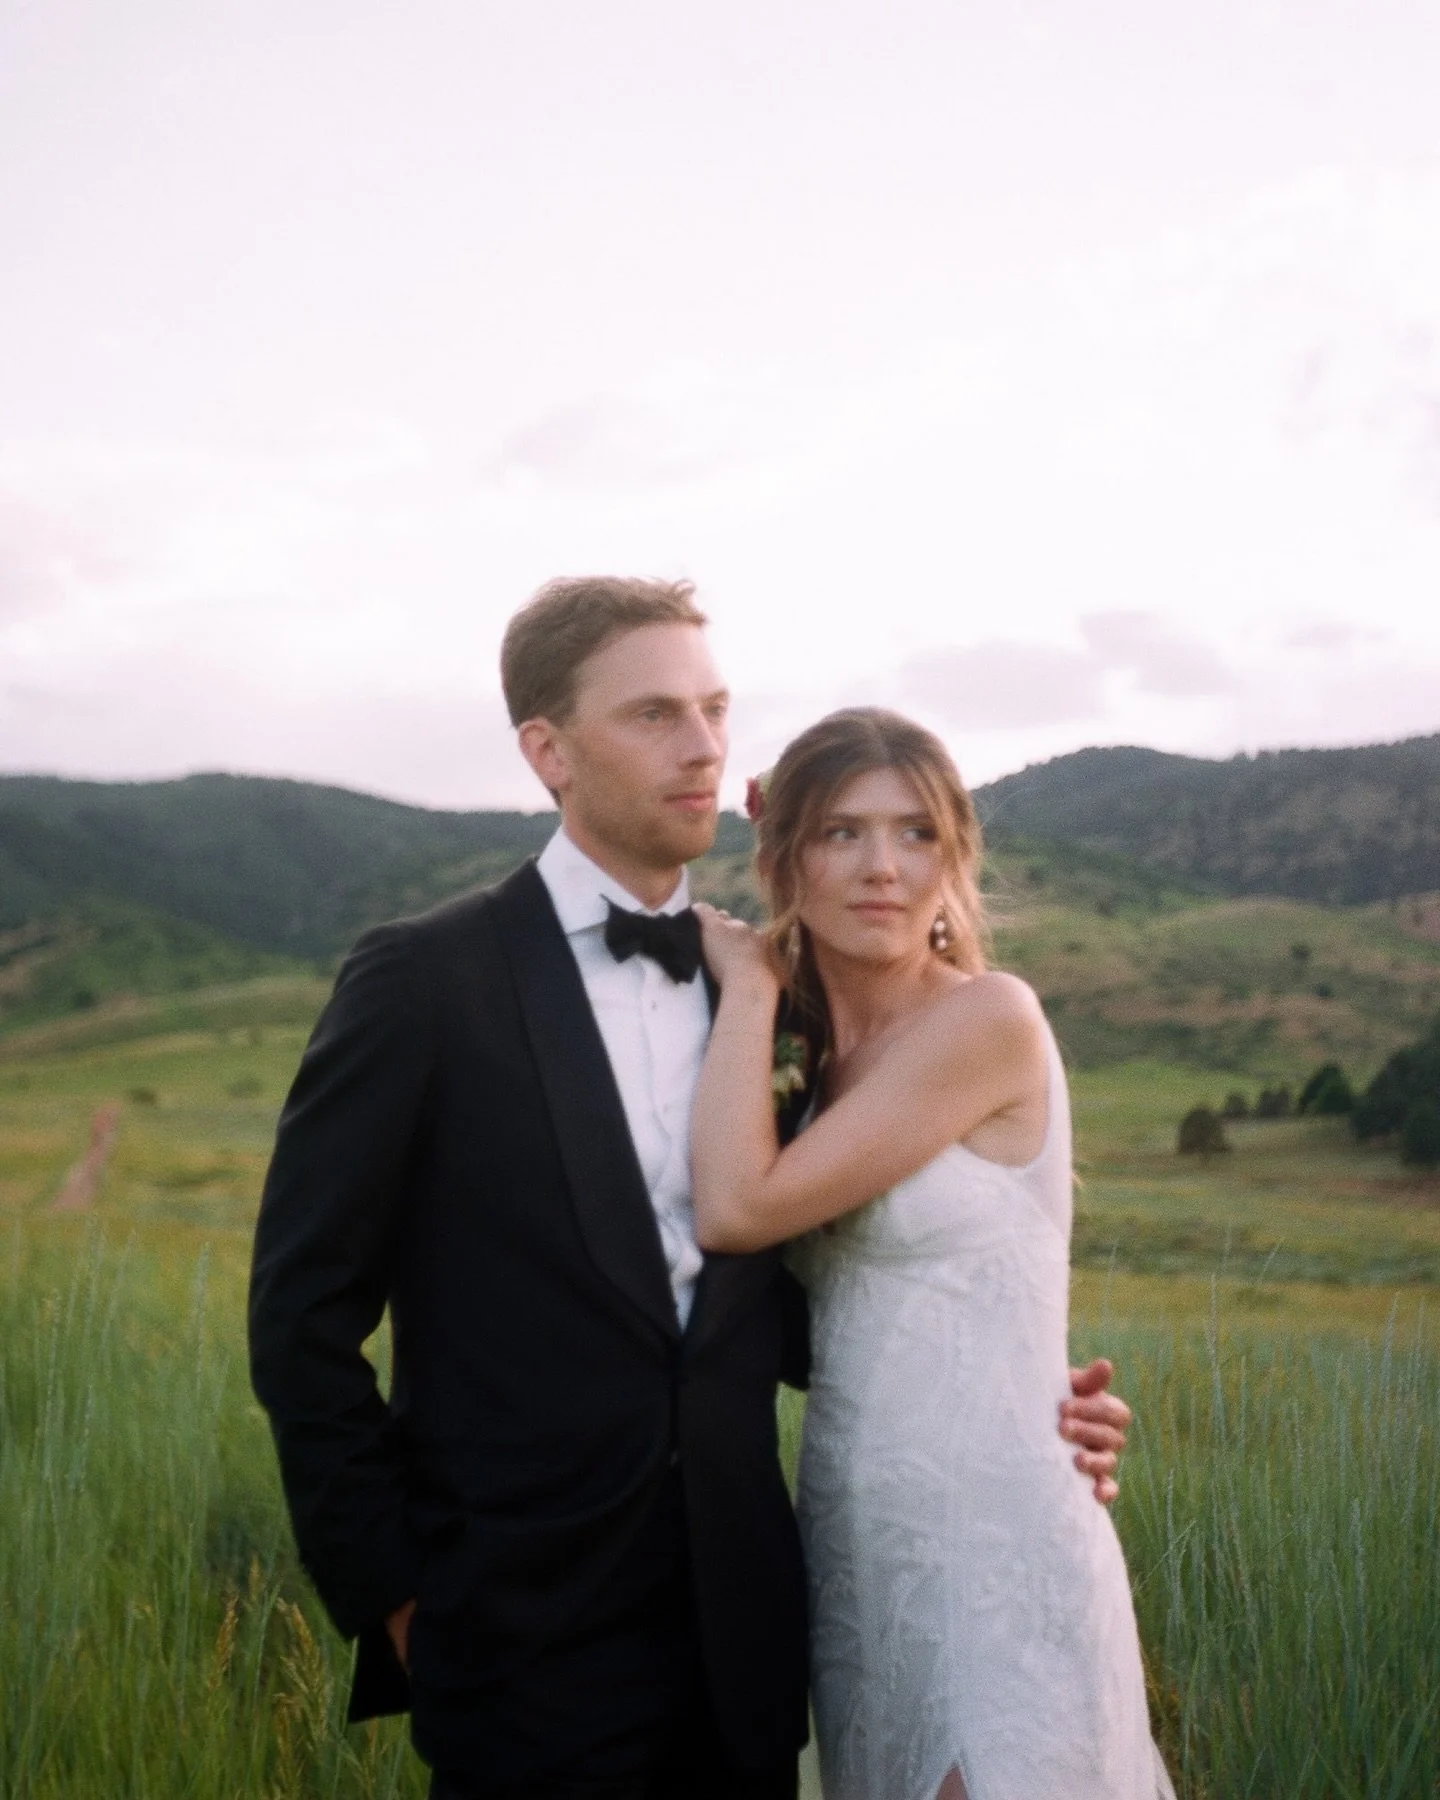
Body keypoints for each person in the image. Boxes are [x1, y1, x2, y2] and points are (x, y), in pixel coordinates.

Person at [248, 579, 1133, 1800]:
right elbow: (301, 1320)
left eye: (716, 710)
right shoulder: (423, 983)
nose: (707, 745)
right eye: (657, 714)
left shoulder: (771, 1005)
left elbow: (828, 1295)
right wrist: (396, 1603)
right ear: (548, 751)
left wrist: (1037, 1401)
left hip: (756, 1644)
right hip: (516, 1648)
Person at [690, 708, 1175, 1800]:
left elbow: (735, 1206)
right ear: (785, 858)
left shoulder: (987, 1019)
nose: (883, 869)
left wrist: (753, 984)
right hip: (858, 1540)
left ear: (956, 856)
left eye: (916, 835)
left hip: (996, 1537)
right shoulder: (812, 1069)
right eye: (841, 833)